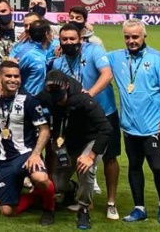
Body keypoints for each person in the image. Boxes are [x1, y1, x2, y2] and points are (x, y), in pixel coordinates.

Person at [107, 19, 160, 225]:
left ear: (144, 36)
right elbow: (94, 57)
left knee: (157, 167)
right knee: (134, 166)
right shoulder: (116, 58)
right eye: (127, 37)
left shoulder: (159, 59)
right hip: (130, 127)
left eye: (135, 37)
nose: (131, 40)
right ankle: (139, 208)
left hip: (154, 127)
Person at [53, 22, 121, 219]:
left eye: (72, 39)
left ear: (80, 40)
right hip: (77, 119)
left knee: (110, 158)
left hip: (104, 113)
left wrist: (89, 95)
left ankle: (111, 202)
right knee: (77, 157)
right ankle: (81, 196)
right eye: (64, 39)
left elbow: (107, 74)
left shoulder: (94, 51)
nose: (68, 43)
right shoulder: (58, 62)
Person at [36, 71, 113, 231]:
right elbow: (30, 103)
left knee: (86, 167)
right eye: (53, 94)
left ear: (67, 87)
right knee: (57, 184)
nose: (58, 101)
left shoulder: (83, 99)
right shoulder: (46, 96)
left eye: (60, 95)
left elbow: (106, 128)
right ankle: (72, 188)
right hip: (67, 142)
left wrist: (91, 156)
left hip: (89, 140)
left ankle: (84, 209)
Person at [0, 60, 56, 226]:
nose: (13, 80)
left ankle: (49, 209)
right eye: (8, 76)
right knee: (7, 212)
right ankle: (35, 197)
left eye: (16, 76)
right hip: (6, 159)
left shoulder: (29, 101)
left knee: (40, 178)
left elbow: (45, 130)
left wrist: (35, 154)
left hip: (26, 154)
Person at [16, 19, 53, 95]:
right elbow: (16, 71)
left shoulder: (51, 51)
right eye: (51, 33)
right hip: (30, 99)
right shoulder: (28, 54)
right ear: (47, 34)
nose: (52, 35)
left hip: (45, 101)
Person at [0, 0, 21, 76]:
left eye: (3, 11)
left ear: (11, 10)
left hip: (18, 77)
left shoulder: (22, 30)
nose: (1, 14)